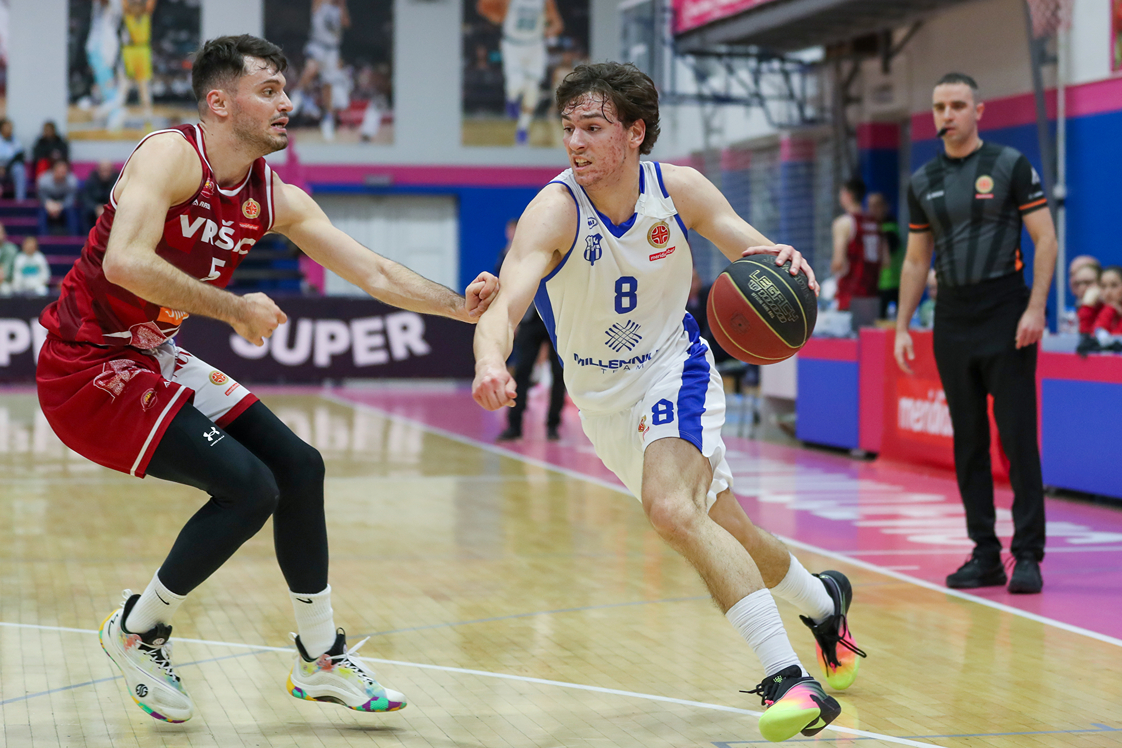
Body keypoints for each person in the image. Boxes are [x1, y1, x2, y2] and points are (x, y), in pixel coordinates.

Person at [35, 35, 498, 726]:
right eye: (270, 90)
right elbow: (124, 263)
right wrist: (232, 309)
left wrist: (459, 306)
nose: (288, 103)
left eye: (286, 90)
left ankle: (319, 657)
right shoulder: (170, 156)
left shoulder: (272, 195)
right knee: (250, 488)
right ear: (220, 102)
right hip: (86, 363)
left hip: (151, 354)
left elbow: (374, 271)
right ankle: (137, 628)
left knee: (300, 468)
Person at [471, 62, 864, 743]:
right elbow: (505, 305)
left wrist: (786, 263)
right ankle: (824, 601)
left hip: (673, 369)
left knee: (671, 509)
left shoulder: (675, 190)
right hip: (603, 404)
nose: (575, 142)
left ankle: (788, 680)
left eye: (592, 127)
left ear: (635, 131)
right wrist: (488, 360)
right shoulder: (554, 210)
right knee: (731, 532)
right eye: (568, 128)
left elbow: (753, 249)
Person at [896, 72, 1056, 595]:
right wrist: (902, 326)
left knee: (1017, 438)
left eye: (958, 105)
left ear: (978, 111)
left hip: (1006, 312)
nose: (947, 114)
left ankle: (1027, 554)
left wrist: (1036, 308)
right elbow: (916, 260)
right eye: (940, 106)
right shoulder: (922, 180)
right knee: (968, 442)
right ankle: (985, 553)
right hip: (952, 318)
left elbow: (1046, 239)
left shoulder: (1010, 165)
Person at [493, 218, 566, 441]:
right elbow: (505, 286)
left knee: (559, 373)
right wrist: (510, 319)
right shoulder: (511, 254)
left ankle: (553, 425)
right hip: (529, 319)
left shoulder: (558, 248)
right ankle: (514, 425)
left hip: (556, 319)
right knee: (522, 371)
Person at [476, 0, 563, 146]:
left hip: (535, 46)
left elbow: (557, 24)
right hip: (513, 45)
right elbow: (484, 9)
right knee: (516, 83)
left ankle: (522, 128)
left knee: (532, 90)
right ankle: (511, 99)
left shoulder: (545, 2)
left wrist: (551, 30)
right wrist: (495, 16)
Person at [292, 0, 351, 142]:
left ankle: (328, 119)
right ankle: (297, 93)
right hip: (317, 44)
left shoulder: (339, 8)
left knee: (328, 85)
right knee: (312, 68)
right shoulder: (320, 4)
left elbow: (346, 23)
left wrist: (342, 6)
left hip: (332, 50)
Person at [831, 177, 884, 313]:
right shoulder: (875, 223)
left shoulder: (844, 223)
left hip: (849, 296)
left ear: (847, 195)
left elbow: (838, 262)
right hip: (872, 295)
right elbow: (886, 261)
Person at [120, 0, 156, 129]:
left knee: (144, 89)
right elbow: (124, 4)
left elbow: (150, 4)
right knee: (124, 88)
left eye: (138, 4)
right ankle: (117, 120)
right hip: (130, 52)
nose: (136, 7)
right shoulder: (128, 16)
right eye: (134, 4)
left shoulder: (145, 16)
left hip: (143, 51)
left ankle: (148, 121)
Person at [868, 192, 903, 319]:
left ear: (885, 206)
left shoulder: (889, 229)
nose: (872, 210)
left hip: (889, 284)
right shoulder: (876, 228)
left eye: (877, 205)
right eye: (870, 206)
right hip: (879, 284)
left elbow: (885, 259)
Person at [36, 160, 81, 235]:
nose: (61, 174)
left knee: (71, 212)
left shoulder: (72, 181)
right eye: (59, 171)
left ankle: (73, 238)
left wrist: (60, 206)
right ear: (53, 171)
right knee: (42, 212)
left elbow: (70, 199)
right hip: (49, 203)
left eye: (63, 172)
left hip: (64, 204)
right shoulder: (43, 180)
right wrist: (48, 204)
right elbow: (41, 195)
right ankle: (43, 238)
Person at [81, 160, 120, 232]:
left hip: (112, 208)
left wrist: (107, 208)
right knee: (85, 212)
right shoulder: (91, 180)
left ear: (112, 171)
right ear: (98, 170)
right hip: (94, 209)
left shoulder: (118, 182)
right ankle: (86, 235)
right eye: (103, 170)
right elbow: (86, 198)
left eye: (107, 170)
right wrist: (96, 208)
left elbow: (119, 199)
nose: (105, 173)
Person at [1091, 266, 1122, 341]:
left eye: (1114, 285)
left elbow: (1116, 341)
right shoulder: (1098, 310)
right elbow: (1088, 337)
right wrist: (1110, 309)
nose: (1107, 292)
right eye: (1103, 286)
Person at [0, 118, 27, 200]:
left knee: (19, 169)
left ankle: (20, 201)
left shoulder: (16, 141)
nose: (9, 128)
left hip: (10, 169)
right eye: (7, 126)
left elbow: (20, 157)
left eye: (10, 126)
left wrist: (6, 168)